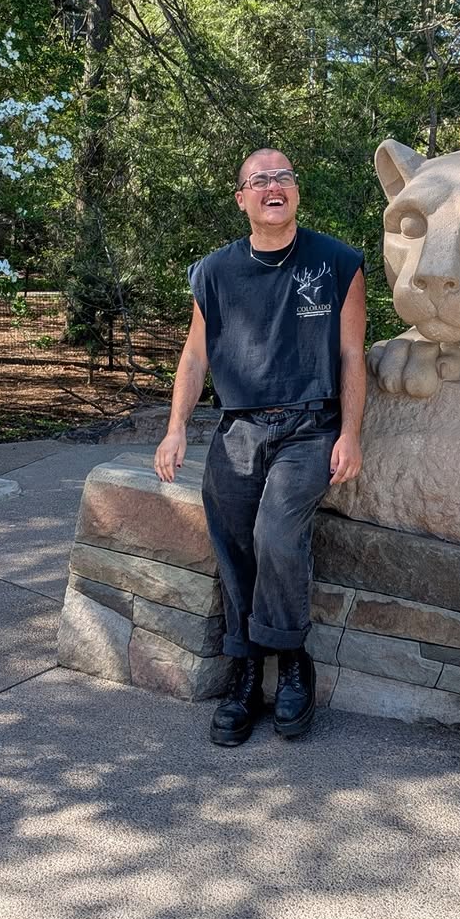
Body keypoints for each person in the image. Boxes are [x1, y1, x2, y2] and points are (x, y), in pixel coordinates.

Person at [154, 148, 366, 746]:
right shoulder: (214, 273)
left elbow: (352, 354)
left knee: (276, 532)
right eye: (260, 179)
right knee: (234, 544)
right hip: (238, 429)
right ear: (242, 198)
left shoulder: (337, 262)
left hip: (310, 427)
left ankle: (293, 658)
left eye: (284, 176)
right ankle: (246, 672)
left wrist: (351, 432)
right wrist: (175, 428)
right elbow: (194, 355)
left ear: (295, 191)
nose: (274, 185)